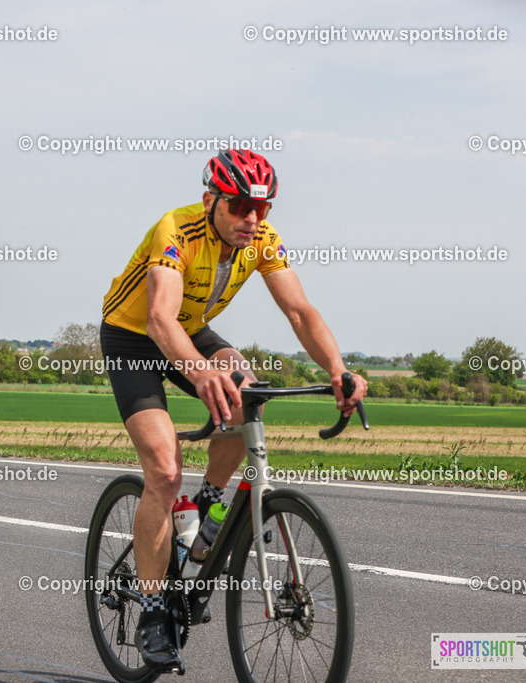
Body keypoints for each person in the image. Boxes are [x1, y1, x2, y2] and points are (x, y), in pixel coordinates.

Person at [100, 150, 367, 670]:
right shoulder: (175, 230)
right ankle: (153, 612)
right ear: (210, 201)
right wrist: (199, 372)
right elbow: (158, 318)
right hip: (135, 335)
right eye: (242, 205)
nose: (253, 219)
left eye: (262, 209)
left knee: (246, 385)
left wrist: (337, 368)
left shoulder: (262, 240)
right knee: (163, 468)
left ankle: (207, 509)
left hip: (191, 328)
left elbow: (299, 310)